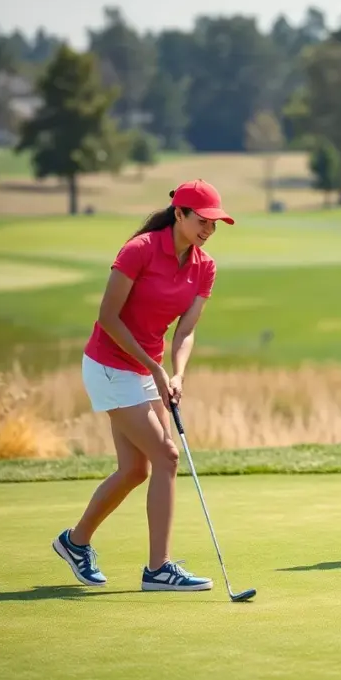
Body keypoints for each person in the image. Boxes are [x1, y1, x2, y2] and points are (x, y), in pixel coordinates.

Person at [52, 179, 235, 592]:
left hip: (144, 367)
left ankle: (74, 541)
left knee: (137, 469)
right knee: (167, 457)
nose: (209, 228)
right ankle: (158, 569)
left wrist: (177, 371)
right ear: (180, 214)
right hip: (109, 365)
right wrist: (153, 368)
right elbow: (108, 318)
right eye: (203, 220)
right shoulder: (140, 250)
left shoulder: (205, 267)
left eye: (216, 223)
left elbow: (186, 331)